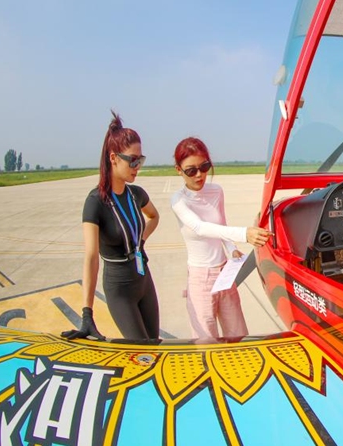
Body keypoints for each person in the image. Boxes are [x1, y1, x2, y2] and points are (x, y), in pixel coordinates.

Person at [62, 111, 161, 341]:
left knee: (154, 346)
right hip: (119, 288)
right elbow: (91, 257)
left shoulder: (136, 194)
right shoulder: (95, 202)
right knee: (141, 350)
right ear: (114, 158)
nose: (137, 166)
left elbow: (154, 216)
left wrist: (140, 241)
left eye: (140, 160)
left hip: (143, 278)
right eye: (133, 160)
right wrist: (87, 314)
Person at [170, 137, 270, 339]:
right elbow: (201, 228)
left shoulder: (216, 191)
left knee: (238, 334)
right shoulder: (179, 201)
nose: (199, 175)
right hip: (201, 279)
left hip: (225, 273)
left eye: (204, 167)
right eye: (191, 170)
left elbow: (221, 225)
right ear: (179, 170)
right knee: (206, 339)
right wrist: (244, 234)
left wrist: (231, 249)